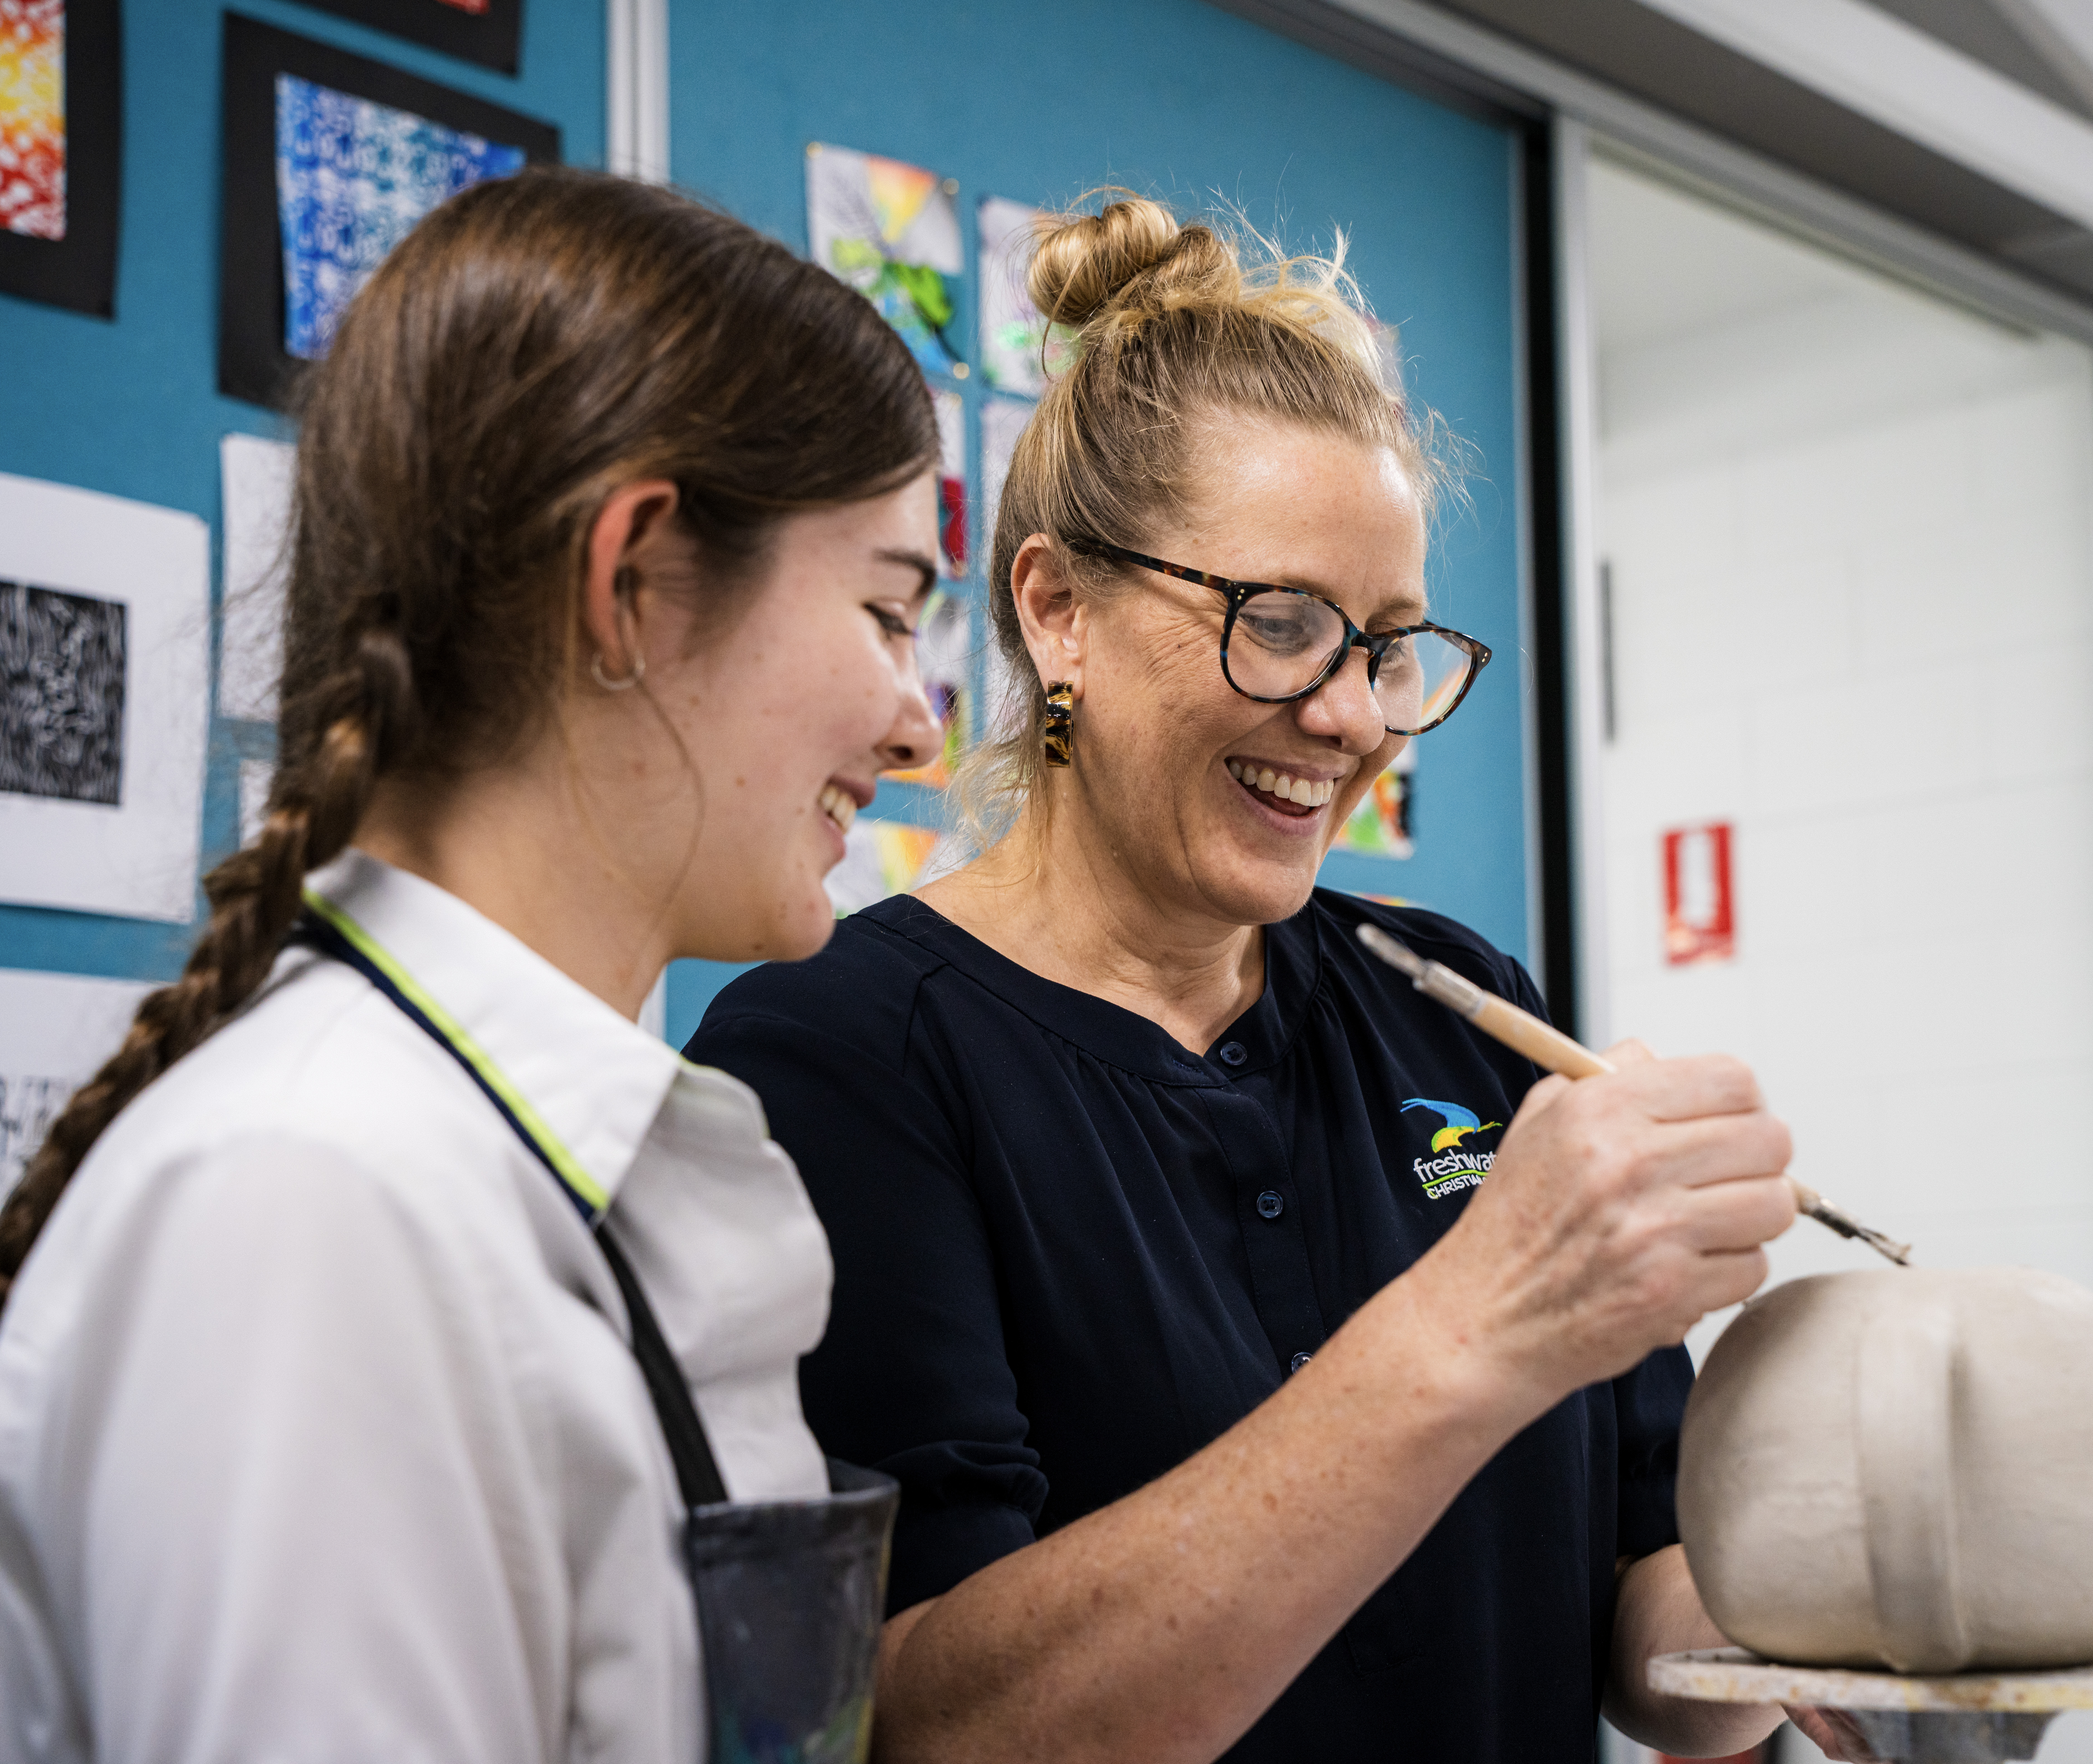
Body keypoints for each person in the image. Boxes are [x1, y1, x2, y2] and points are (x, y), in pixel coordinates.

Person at [687, 195, 1801, 1763]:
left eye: (1390, 648)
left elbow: (1647, 1612)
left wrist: (1823, 1606)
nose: (1352, 718)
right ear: (1059, 613)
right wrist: (1474, 1326)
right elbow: (929, 1724)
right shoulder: (843, 1055)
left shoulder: (1462, 1008)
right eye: (1280, 626)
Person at [0, 168, 944, 1761]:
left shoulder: (479, 1167)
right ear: (635, 579)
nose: (918, 728)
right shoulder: (317, 1201)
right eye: (887, 610)